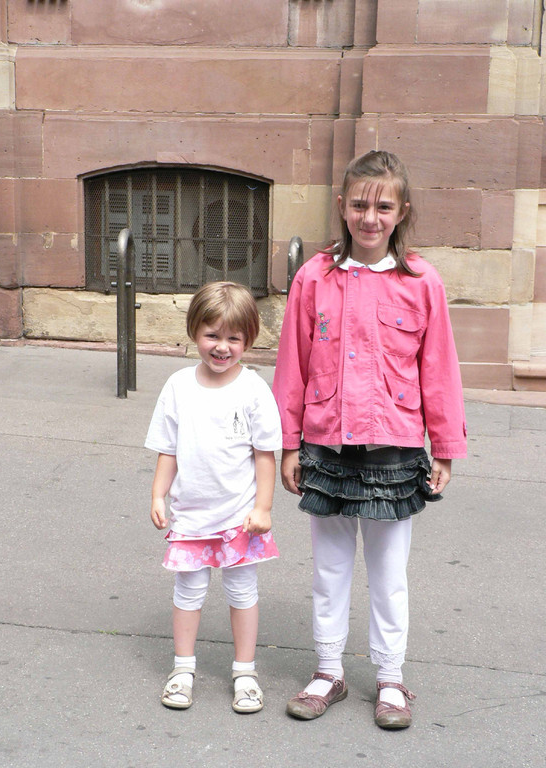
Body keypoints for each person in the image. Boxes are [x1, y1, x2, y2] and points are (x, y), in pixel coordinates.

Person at [272, 150, 467, 729]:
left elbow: (439, 367)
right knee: (329, 570)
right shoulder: (314, 277)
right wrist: (288, 443)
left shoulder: (421, 281)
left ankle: (390, 678)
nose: (370, 217)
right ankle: (328, 671)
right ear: (342, 206)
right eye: (359, 204)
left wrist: (445, 446)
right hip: (327, 446)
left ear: (401, 211)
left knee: (388, 574)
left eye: (383, 206)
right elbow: (292, 364)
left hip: (395, 448)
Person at [145, 281, 282, 714]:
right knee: (188, 593)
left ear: (248, 340)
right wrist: (158, 494)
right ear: (194, 332)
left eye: (233, 338)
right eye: (212, 335)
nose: (222, 347)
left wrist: (263, 507)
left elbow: (265, 455)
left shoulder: (254, 390)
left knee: (242, 592)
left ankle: (245, 672)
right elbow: (168, 448)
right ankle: (182, 670)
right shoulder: (178, 386)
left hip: (238, 517)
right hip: (190, 517)